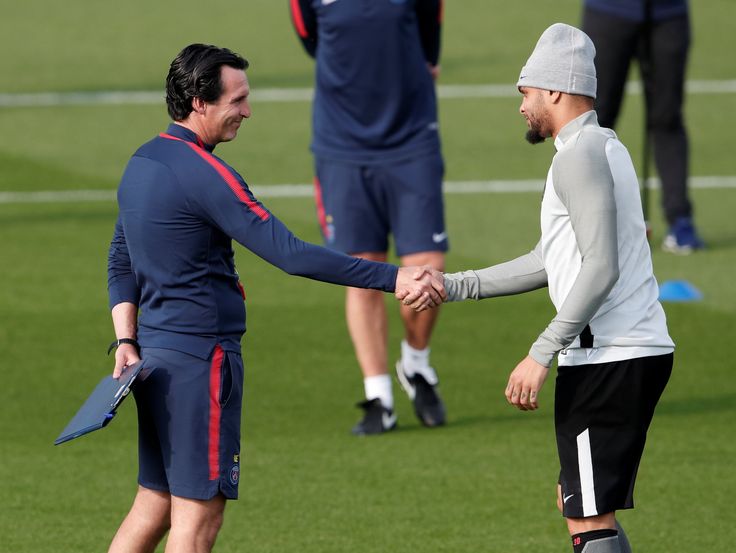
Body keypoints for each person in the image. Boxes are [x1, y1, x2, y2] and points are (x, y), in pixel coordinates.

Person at [105, 44, 442, 553]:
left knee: (153, 504)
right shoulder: (208, 175)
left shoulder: (141, 162)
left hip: (153, 359)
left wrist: (125, 340)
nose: (247, 110)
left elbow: (119, 261)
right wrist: (393, 278)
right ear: (199, 101)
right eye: (236, 100)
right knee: (198, 521)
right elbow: (291, 254)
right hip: (201, 366)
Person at [408, 24, 675, 553]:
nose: (522, 105)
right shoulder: (599, 147)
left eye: (525, 92)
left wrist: (540, 352)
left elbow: (600, 268)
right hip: (621, 354)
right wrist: (454, 285)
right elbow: (551, 259)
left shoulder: (578, 158)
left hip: (609, 358)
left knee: (588, 518)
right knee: (575, 502)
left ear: (555, 90)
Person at [289, 0, 448, 435]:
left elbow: (430, 23)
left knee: (430, 267)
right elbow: (311, 39)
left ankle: (416, 364)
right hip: (342, 143)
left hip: (412, 136)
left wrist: (426, 62)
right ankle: (379, 395)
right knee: (363, 268)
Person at [581, 0, 704, 254]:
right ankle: (585, 220)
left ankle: (680, 220)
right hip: (609, 11)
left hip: (667, 13)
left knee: (667, 117)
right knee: (595, 117)